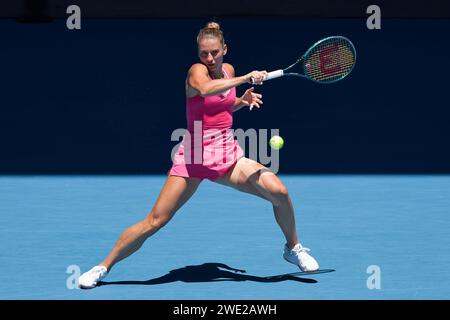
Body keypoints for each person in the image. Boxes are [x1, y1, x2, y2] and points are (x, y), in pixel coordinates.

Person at [78, 22, 319, 289]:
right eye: (204, 53)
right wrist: (244, 79)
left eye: (215, 52)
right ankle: (102, 267)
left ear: (225, 49)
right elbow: (205, 90)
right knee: (155, 221)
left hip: (227, 156)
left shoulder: (228, 70)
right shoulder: (196, 72)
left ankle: (293, 248)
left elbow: (220, 109)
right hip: (193, 158)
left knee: (279, 192)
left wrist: (242, 100)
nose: (210, 58)